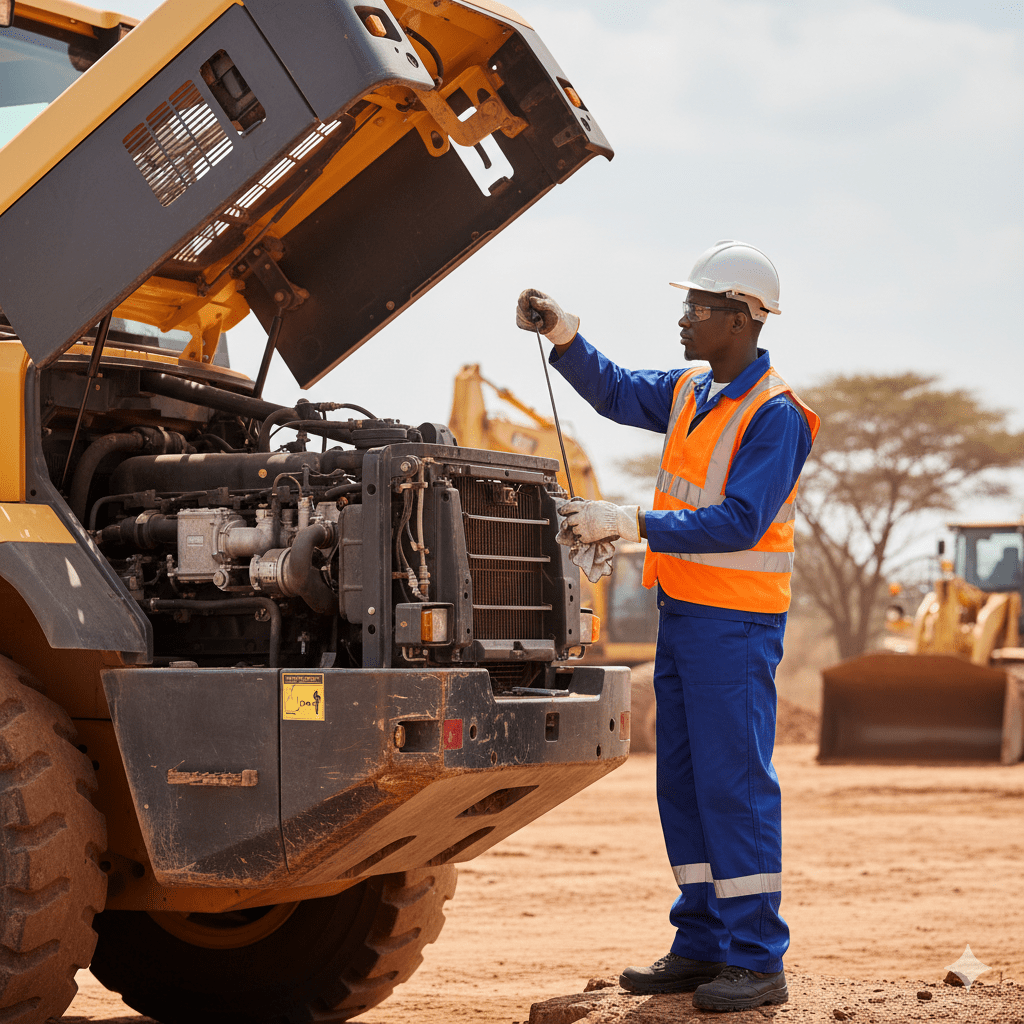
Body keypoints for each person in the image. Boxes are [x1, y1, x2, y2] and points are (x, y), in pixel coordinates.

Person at [516, 240, 819, 1013]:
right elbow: (616, 391)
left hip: (736, 625)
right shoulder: (692, 389)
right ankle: (701, 944)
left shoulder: (775, 415)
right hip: (684, 616)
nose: (683, 318)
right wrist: (566, 338)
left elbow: (742, 519)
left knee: (734, 786)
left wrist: (633, 522)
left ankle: (757, 958)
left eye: (699, 307)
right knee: (681, 784)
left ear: (742, 319)